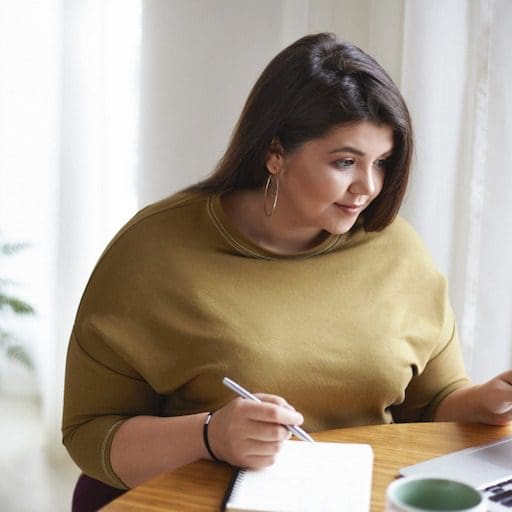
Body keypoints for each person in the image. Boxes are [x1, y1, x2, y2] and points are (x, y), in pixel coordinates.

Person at [62, 32, 512, 502]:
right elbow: (90, 433)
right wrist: (211, 436)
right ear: (275, 153)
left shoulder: (395, 247)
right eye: (345, 161)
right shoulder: (152, 251)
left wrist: (487, 401)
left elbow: (434, 403)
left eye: (381, 162)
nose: (369, 187)